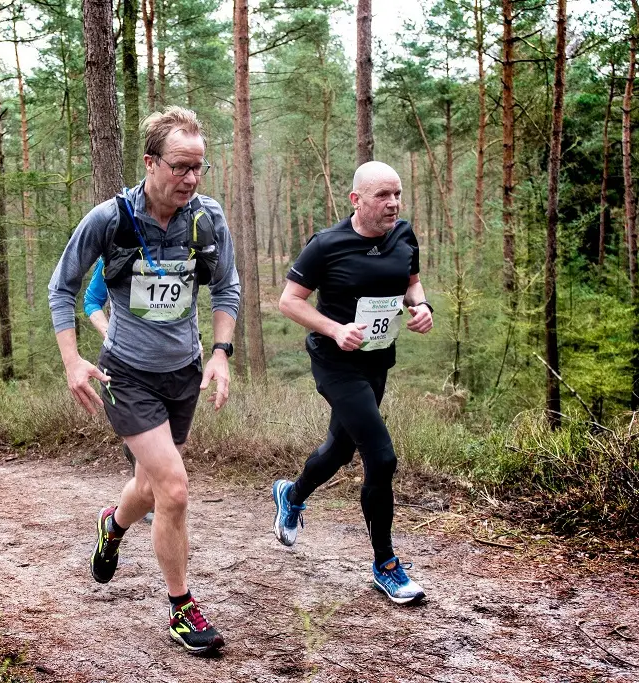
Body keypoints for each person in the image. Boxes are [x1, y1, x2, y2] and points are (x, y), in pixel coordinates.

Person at [48, 106, 240, 654]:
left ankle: (112, 524)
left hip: (182, 370)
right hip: (126, 372)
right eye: (181, 167)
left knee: (153, 485)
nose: (192, 178)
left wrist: (221, 353)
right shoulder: (109, 219)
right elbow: (62, 289)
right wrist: (71, 360)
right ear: (151, 163)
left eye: (199, 167)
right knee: (174, 489)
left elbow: (227, 289)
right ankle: (182, 607)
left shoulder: (207, 219)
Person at [271, 161, 434, 606]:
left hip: (377, 361)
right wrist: (333, 329)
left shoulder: (404, 236)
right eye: (383, 195)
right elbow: (288, 301)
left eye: (397, 194)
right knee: (381, 458)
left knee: (341, 449)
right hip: (335, 363)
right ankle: (386, 565)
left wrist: (422, 307)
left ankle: (292, 493)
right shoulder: (326, 245)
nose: (393, 203)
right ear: (356, 200)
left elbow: (412, 285)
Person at [83, 261, 154, 523]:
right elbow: (91, 300)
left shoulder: (178, 247)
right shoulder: (116, 251)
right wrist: (108, 331)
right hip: (126, 358)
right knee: (145, 425)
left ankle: (142, 471)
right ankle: (146, 495)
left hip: (170, 360)